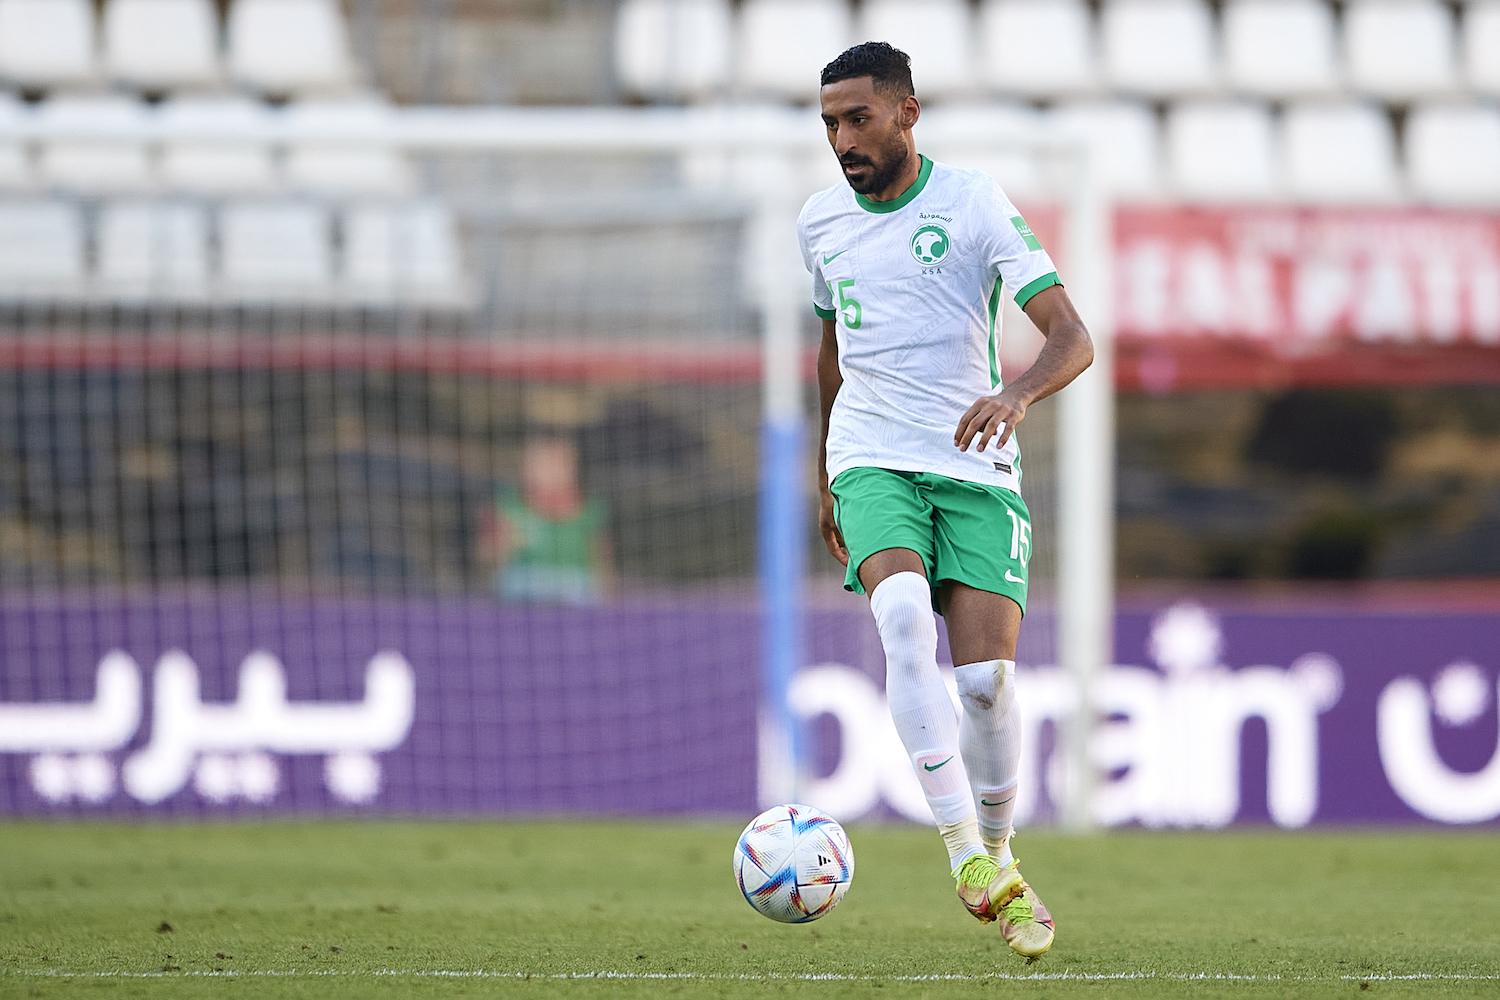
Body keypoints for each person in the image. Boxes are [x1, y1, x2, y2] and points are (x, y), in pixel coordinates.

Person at [800, 42, 1094, 959]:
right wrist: (825, 467)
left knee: (986, 685)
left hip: (974, 461)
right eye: (829, 125)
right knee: (896, 621)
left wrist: (1016, 394)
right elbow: (832, 349)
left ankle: (1001, 852)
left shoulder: (971, 203)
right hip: (871, 456)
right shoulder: (819, 223)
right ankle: (965, 852)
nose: (842, 140)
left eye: (857, 119)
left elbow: (1072, 337)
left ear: (906, 113)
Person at [481, 433, 612, 604]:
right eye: (541, 465)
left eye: (557, 465)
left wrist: (606, 589)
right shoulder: (510, 508)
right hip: (526, 585)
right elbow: (487, 556)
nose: (550, 472)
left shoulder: (590, 510)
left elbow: (601, 557)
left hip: (575, 585)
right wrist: (504, 543)